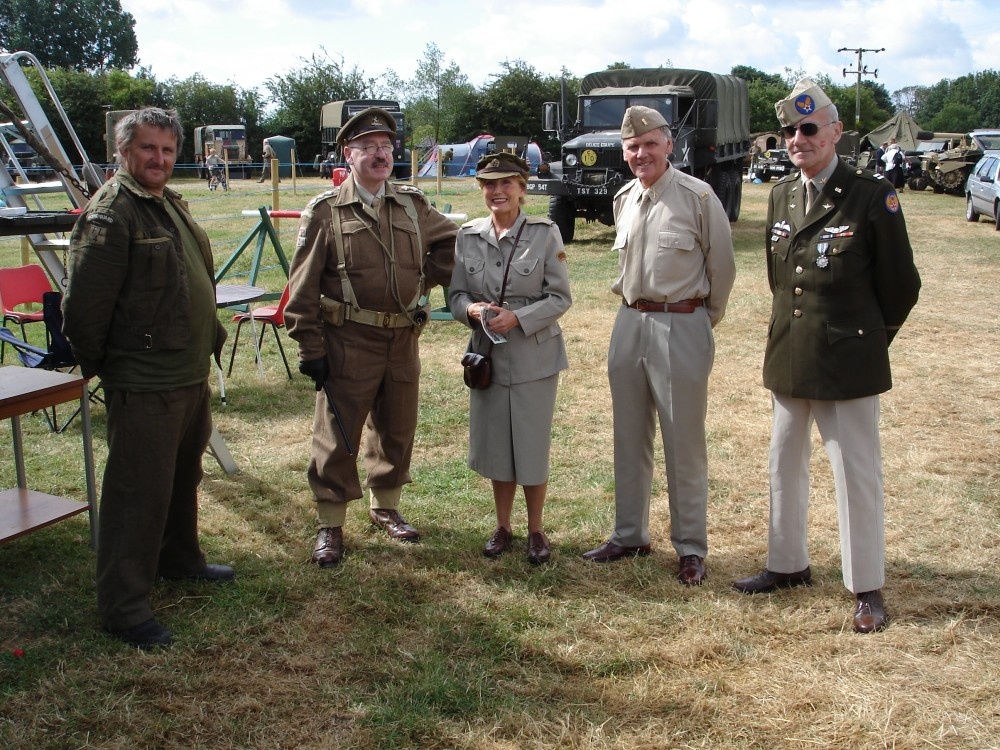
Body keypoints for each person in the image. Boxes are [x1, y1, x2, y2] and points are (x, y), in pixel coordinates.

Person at [731, 78, 921, 634]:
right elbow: (777, 276)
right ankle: (786, 564)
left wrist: (867, 339)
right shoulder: (781, 193)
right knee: (783, 463)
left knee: (855, 472)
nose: (797, 139)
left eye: (809, 128)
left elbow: (901, 285)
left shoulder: (870, 194)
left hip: (850, 361)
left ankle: (866, 586)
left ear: (836, 132)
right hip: (791, 352)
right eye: (789, 130)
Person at [62, 107, 234, 649]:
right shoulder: (112, 213)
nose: (157, 159)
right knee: (137, 495)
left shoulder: (165, 204)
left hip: (186, 373)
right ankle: (124, 606)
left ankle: (179, 560)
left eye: (165, 150)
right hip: (144, 380)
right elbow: (84, 310)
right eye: (146, 149)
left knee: (182, 479)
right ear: (123, 152)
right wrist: (115, 372)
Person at [285, 107, 457, 567]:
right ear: (349, 153)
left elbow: (452, 240)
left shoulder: (412, 204)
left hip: (402, 340)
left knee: (396, 427)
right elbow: (299, 290)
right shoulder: (325, 211)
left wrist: (426, 281)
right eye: (369, 148)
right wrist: (311, 348)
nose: (381, 155)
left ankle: (386, 506)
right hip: (348, 340)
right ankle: (330, 522)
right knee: (337, 435)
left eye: (386, 147)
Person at [582, 106, 736, 587]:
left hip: (681, 324)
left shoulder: (698, 196)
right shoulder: (625, 197)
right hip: (629, 323)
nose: (641, 153)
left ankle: (690, 547)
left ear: (670, 145)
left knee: (682, 442)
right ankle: (630, 534)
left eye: (650, 143)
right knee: (629, 436)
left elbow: (723, 268)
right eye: (632, 146)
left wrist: (698, 321)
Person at [449, 153, 572, 564]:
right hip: (486, 357)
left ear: (522, 187)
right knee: (498, 447)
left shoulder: (544, 233)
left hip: (534, 356)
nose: (496, 192)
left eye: (506, 184)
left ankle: (536, 530)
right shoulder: (467, 235)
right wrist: (471, 311)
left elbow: (559, 298)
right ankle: (503, 526)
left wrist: (518, 317)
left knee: (531, 447)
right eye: (488, 184)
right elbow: (455, 296)